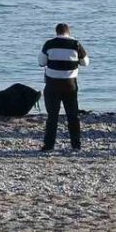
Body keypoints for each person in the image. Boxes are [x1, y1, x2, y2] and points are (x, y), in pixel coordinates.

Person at [38, 23, 89, 152]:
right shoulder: (76, 44)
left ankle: (49, 145)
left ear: (56, 32)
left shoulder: (49, 44)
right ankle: (76, 145)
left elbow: (41, 62)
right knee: (73, 115)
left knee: (52, 116)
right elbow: (85, 63)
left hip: (52, 84)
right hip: (70, 84)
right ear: (68, 32)